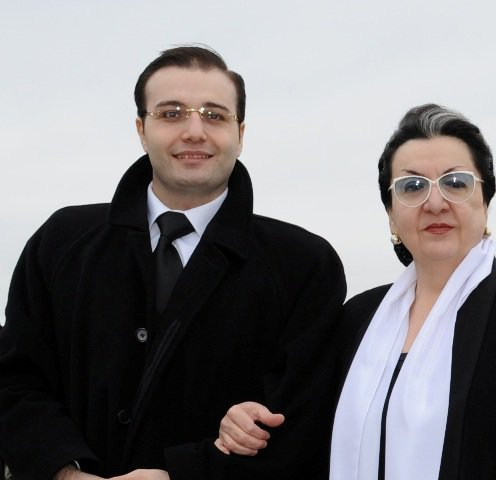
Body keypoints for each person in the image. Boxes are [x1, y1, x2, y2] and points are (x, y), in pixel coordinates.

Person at [215, 103, 496, 479]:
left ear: (485, 200)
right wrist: (245, 419)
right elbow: (302, 431)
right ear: (391, 214)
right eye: (412, 186)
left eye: (456, 182)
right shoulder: (356, 321)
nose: (435, 202)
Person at [0, 45, 346, 480]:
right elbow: (15, 380)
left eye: (215, 115)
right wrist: (66, 473)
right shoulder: (61, 242)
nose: (194, 131)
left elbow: (303, 419)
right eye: (171, 113)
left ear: (241, 133)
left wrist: (179, 475)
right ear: (141, 130)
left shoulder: (305, 265)